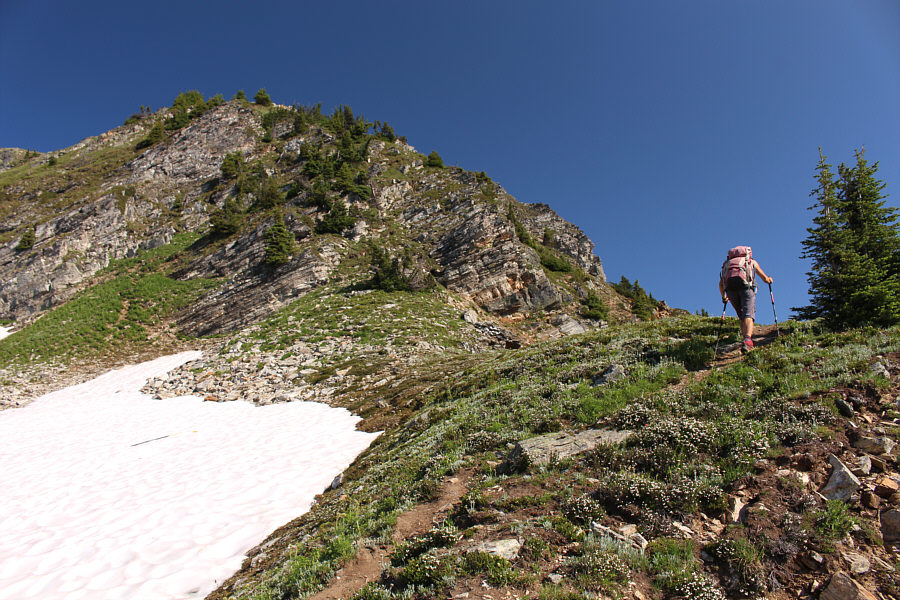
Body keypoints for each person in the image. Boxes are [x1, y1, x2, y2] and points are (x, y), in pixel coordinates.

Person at [718, 246, 773, 354]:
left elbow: (720, 284)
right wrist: (769, 280)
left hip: (730, 291)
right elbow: (765, 278)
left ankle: (745, 339)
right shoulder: (750, 261)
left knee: (741, 315)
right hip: (746, 288)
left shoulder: (727, 265)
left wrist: (724, 296)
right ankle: (747, 340)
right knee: (748, 314)